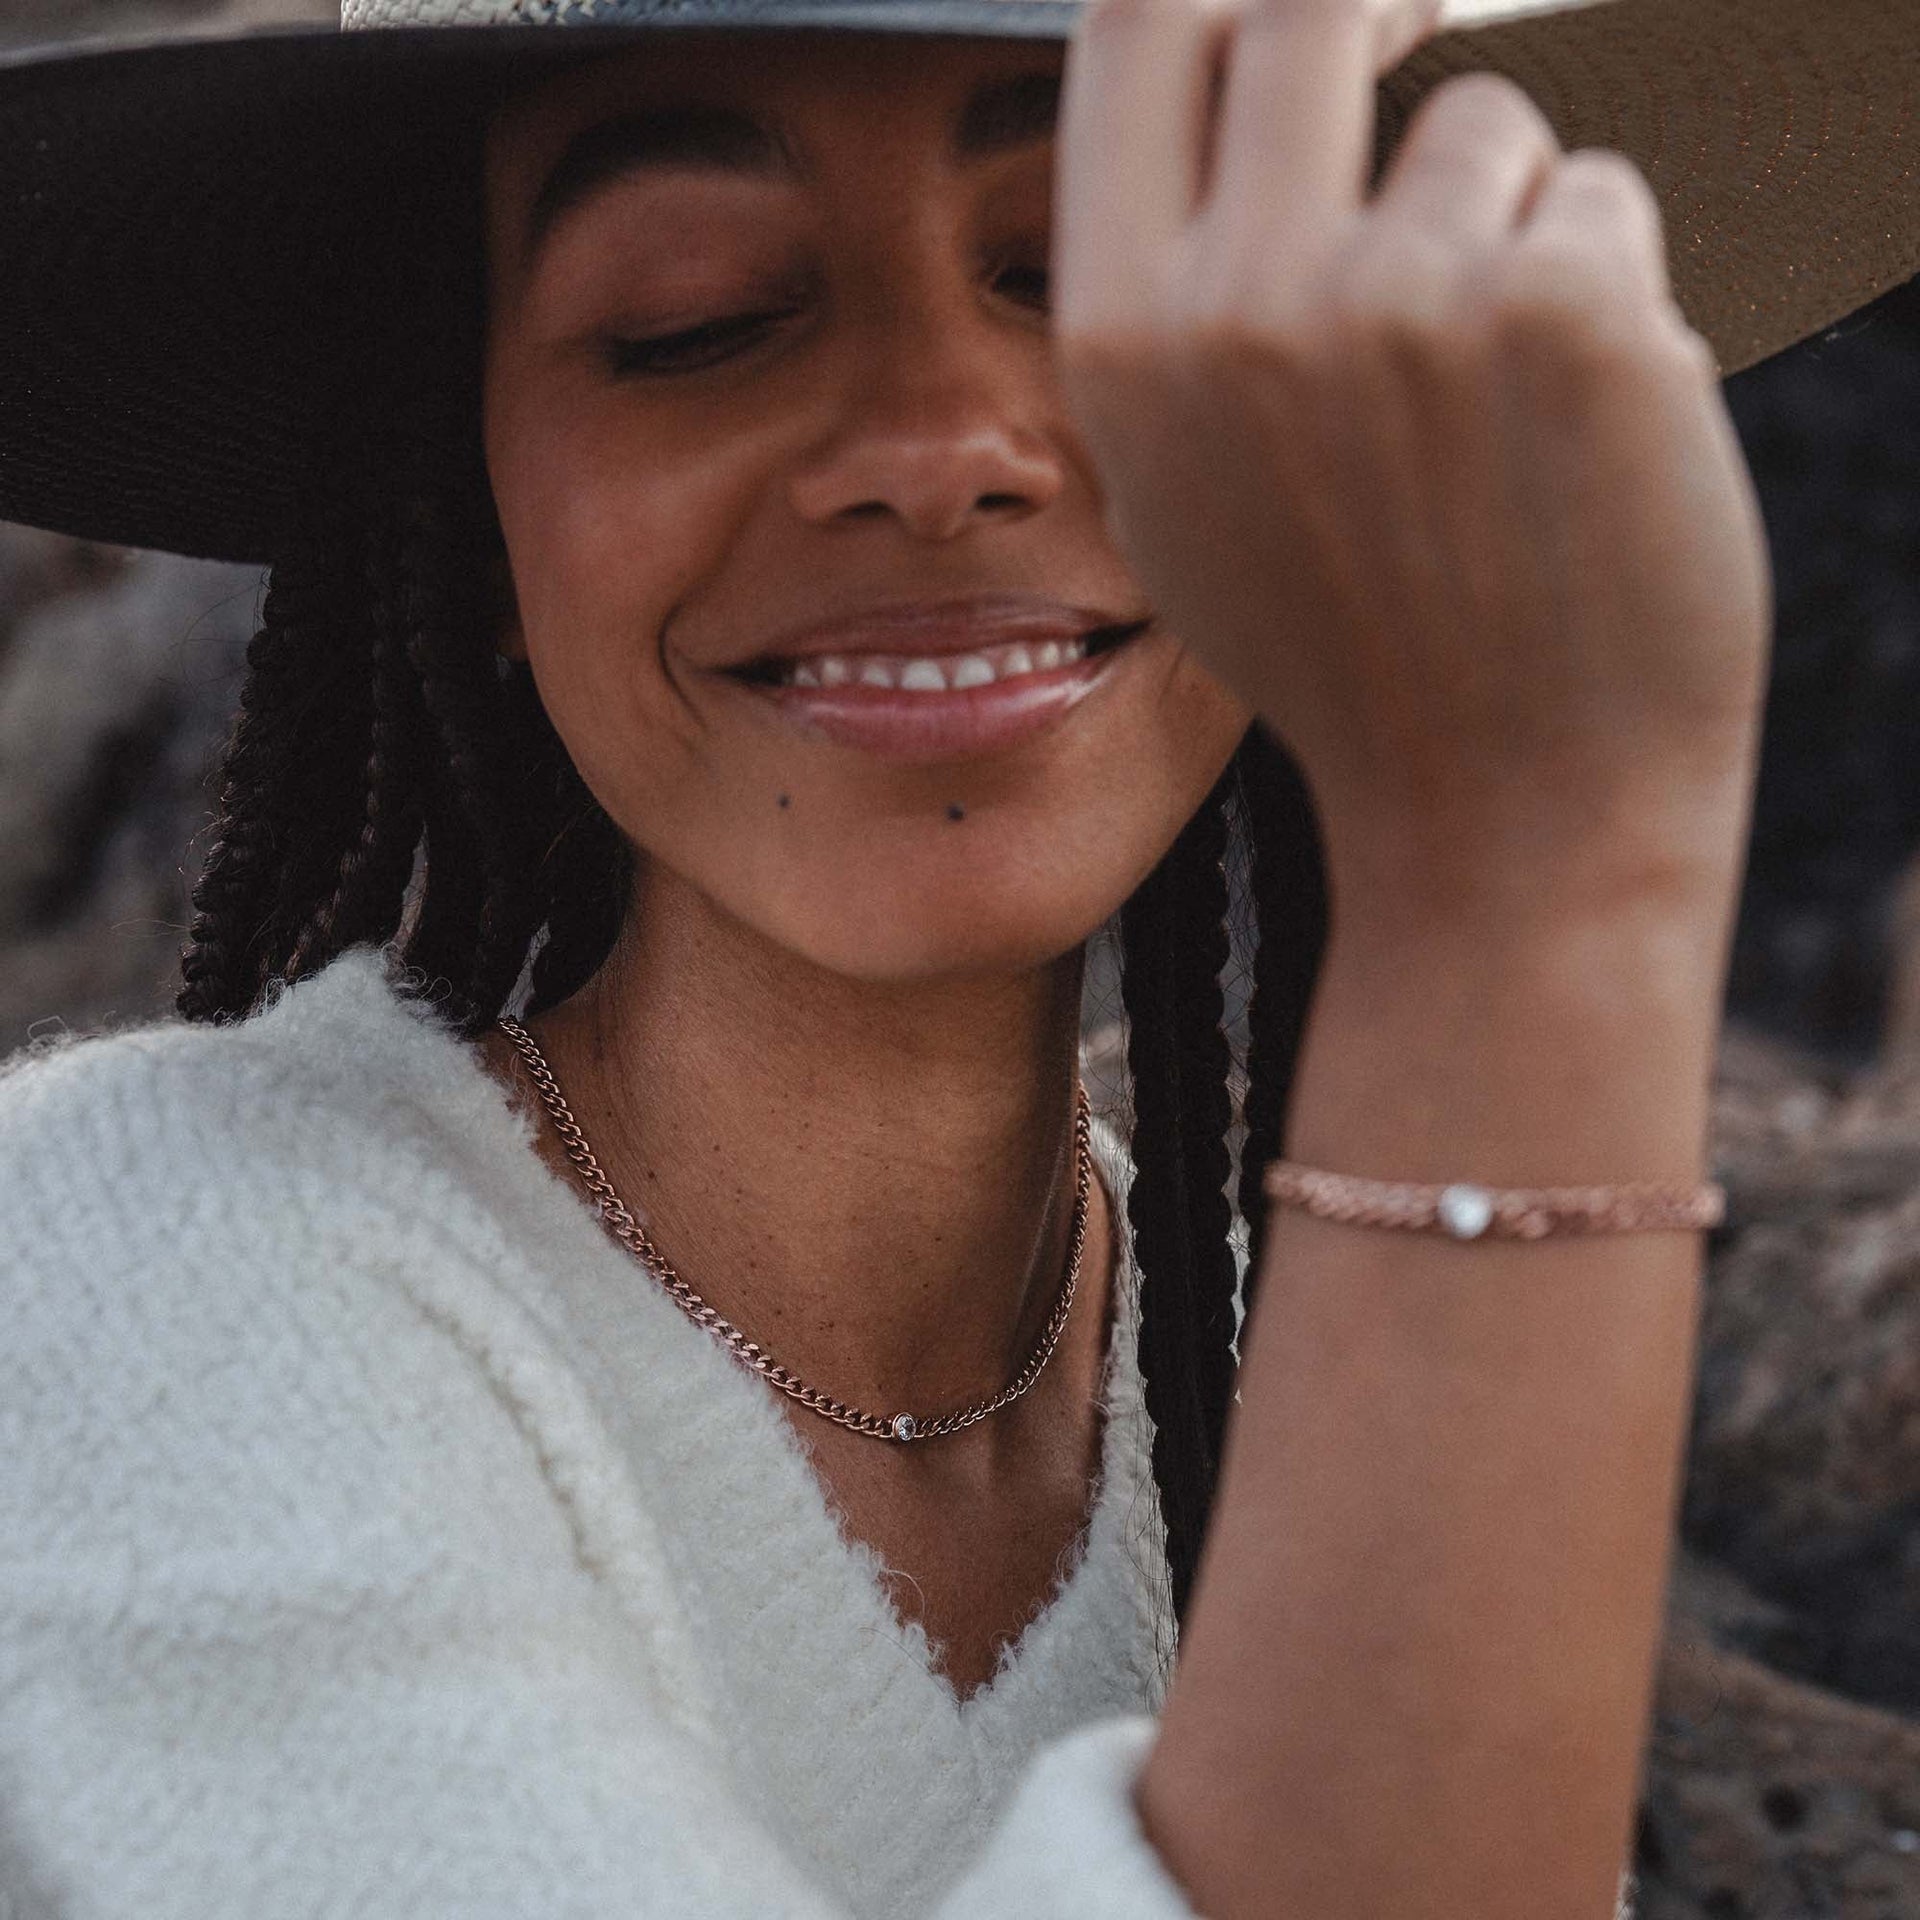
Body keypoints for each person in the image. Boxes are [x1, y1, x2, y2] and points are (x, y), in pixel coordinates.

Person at [0, 0, 1914, 1914]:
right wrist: (1536, 878)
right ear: (473, 502)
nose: (935, 451)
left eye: (1091, 277)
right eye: (695, 317)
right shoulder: (132, 1268)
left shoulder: (1276, 1355)